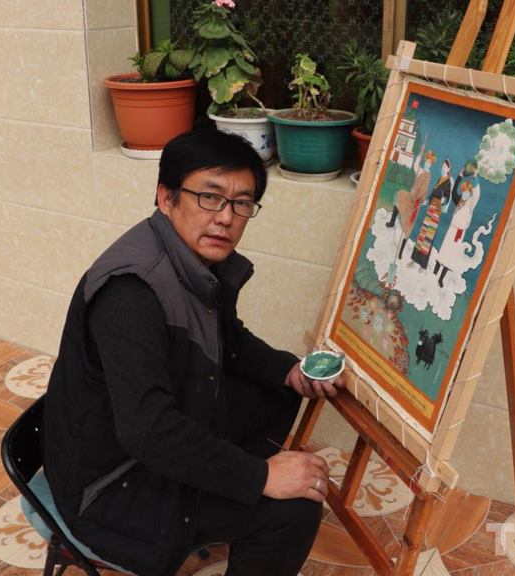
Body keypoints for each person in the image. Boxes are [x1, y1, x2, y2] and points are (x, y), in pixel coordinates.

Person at [41, 130, 344, 576]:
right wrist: (261, 477)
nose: (226, 218)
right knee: (293, 510)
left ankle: (226, 501)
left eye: (242, 203)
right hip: (108, 490)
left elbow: (229, 342)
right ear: (166, 198)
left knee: (275, 392)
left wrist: (290, 371)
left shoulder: (189, 260)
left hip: (133, 447)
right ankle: (236, 506)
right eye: (210, 197)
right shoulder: (131, 292)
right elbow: (147, 431)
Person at [386, 143, 435, 261]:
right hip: (410, 197)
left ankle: (400, 252)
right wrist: (421, 152)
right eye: (426, 161)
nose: (427, 164)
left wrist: (419, 198)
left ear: (431, 164)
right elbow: (416, 164)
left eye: (429, 163)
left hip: (416, 201)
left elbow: (424, 189)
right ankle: (392, 221)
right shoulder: (421, 170)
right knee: (400, 194)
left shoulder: (428, 175)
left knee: (408, 228)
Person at [435, 161, 480, 287]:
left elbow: (477, 194)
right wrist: (460, 176)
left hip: (460, 232)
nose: (465, 194)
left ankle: (441, 278)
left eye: (468, 192)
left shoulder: (471, 203)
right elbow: (454, 190)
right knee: (444, 250)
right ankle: (434, 272)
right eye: (464, 191)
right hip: (452, 229)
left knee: (451, 255)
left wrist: (475, 177)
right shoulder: (458, 200)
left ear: (470, 193)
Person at [410, 158, 452, 270]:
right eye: (442, 167)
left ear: (448, 169)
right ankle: (414, 259)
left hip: (437, 210)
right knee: (422, 233)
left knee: (429, 236)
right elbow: (433, 193)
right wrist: (427, 200)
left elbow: (447, 197)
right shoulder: (439, 180)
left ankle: (422, 264)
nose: (443, 169)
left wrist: (444, 200)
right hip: (430, 208)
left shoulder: (448, 182)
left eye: (445, 167)